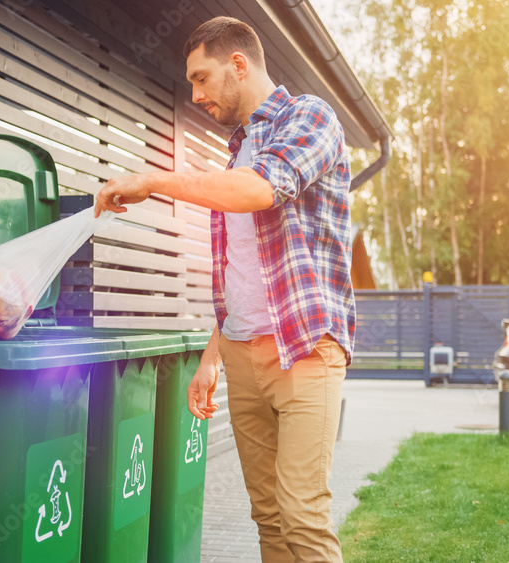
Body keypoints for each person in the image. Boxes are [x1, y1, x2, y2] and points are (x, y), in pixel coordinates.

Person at [93, 15, 354, 563]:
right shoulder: (236, 151)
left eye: (201, 77)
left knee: (303, 516)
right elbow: (244, 269)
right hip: (240, 352)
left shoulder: (311, 116)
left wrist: (154, 180)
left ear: (238, 65)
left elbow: (263, 189)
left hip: (303, 350)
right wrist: (213, 357)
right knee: (268, 517)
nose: (195, 94)